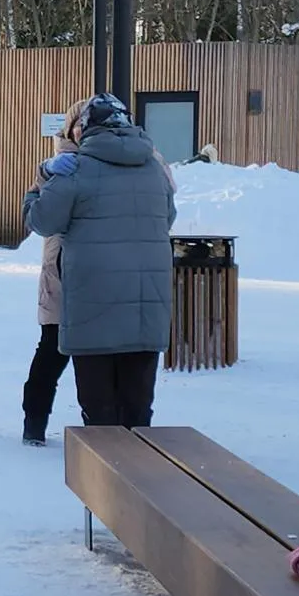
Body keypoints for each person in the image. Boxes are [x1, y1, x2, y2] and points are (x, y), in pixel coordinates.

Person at [23, 93, 177, 428]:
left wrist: (40, 183)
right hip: (144, 305)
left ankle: (104, 474)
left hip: (92, 304)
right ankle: (140, 473)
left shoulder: (75, 169)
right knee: (137, 410)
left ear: (88, 128)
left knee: (100, 412)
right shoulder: (154, 168)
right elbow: (167, 216)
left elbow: (41, 220)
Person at [20, 98, 89, 446]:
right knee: (51, 351)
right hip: (59, 270)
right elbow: (35, 208)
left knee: (92, 362)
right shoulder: (56, 163)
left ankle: (94, 429)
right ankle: (34, 423)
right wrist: (47, 174)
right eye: (78, 122)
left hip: (94, 276)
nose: (82, 129)